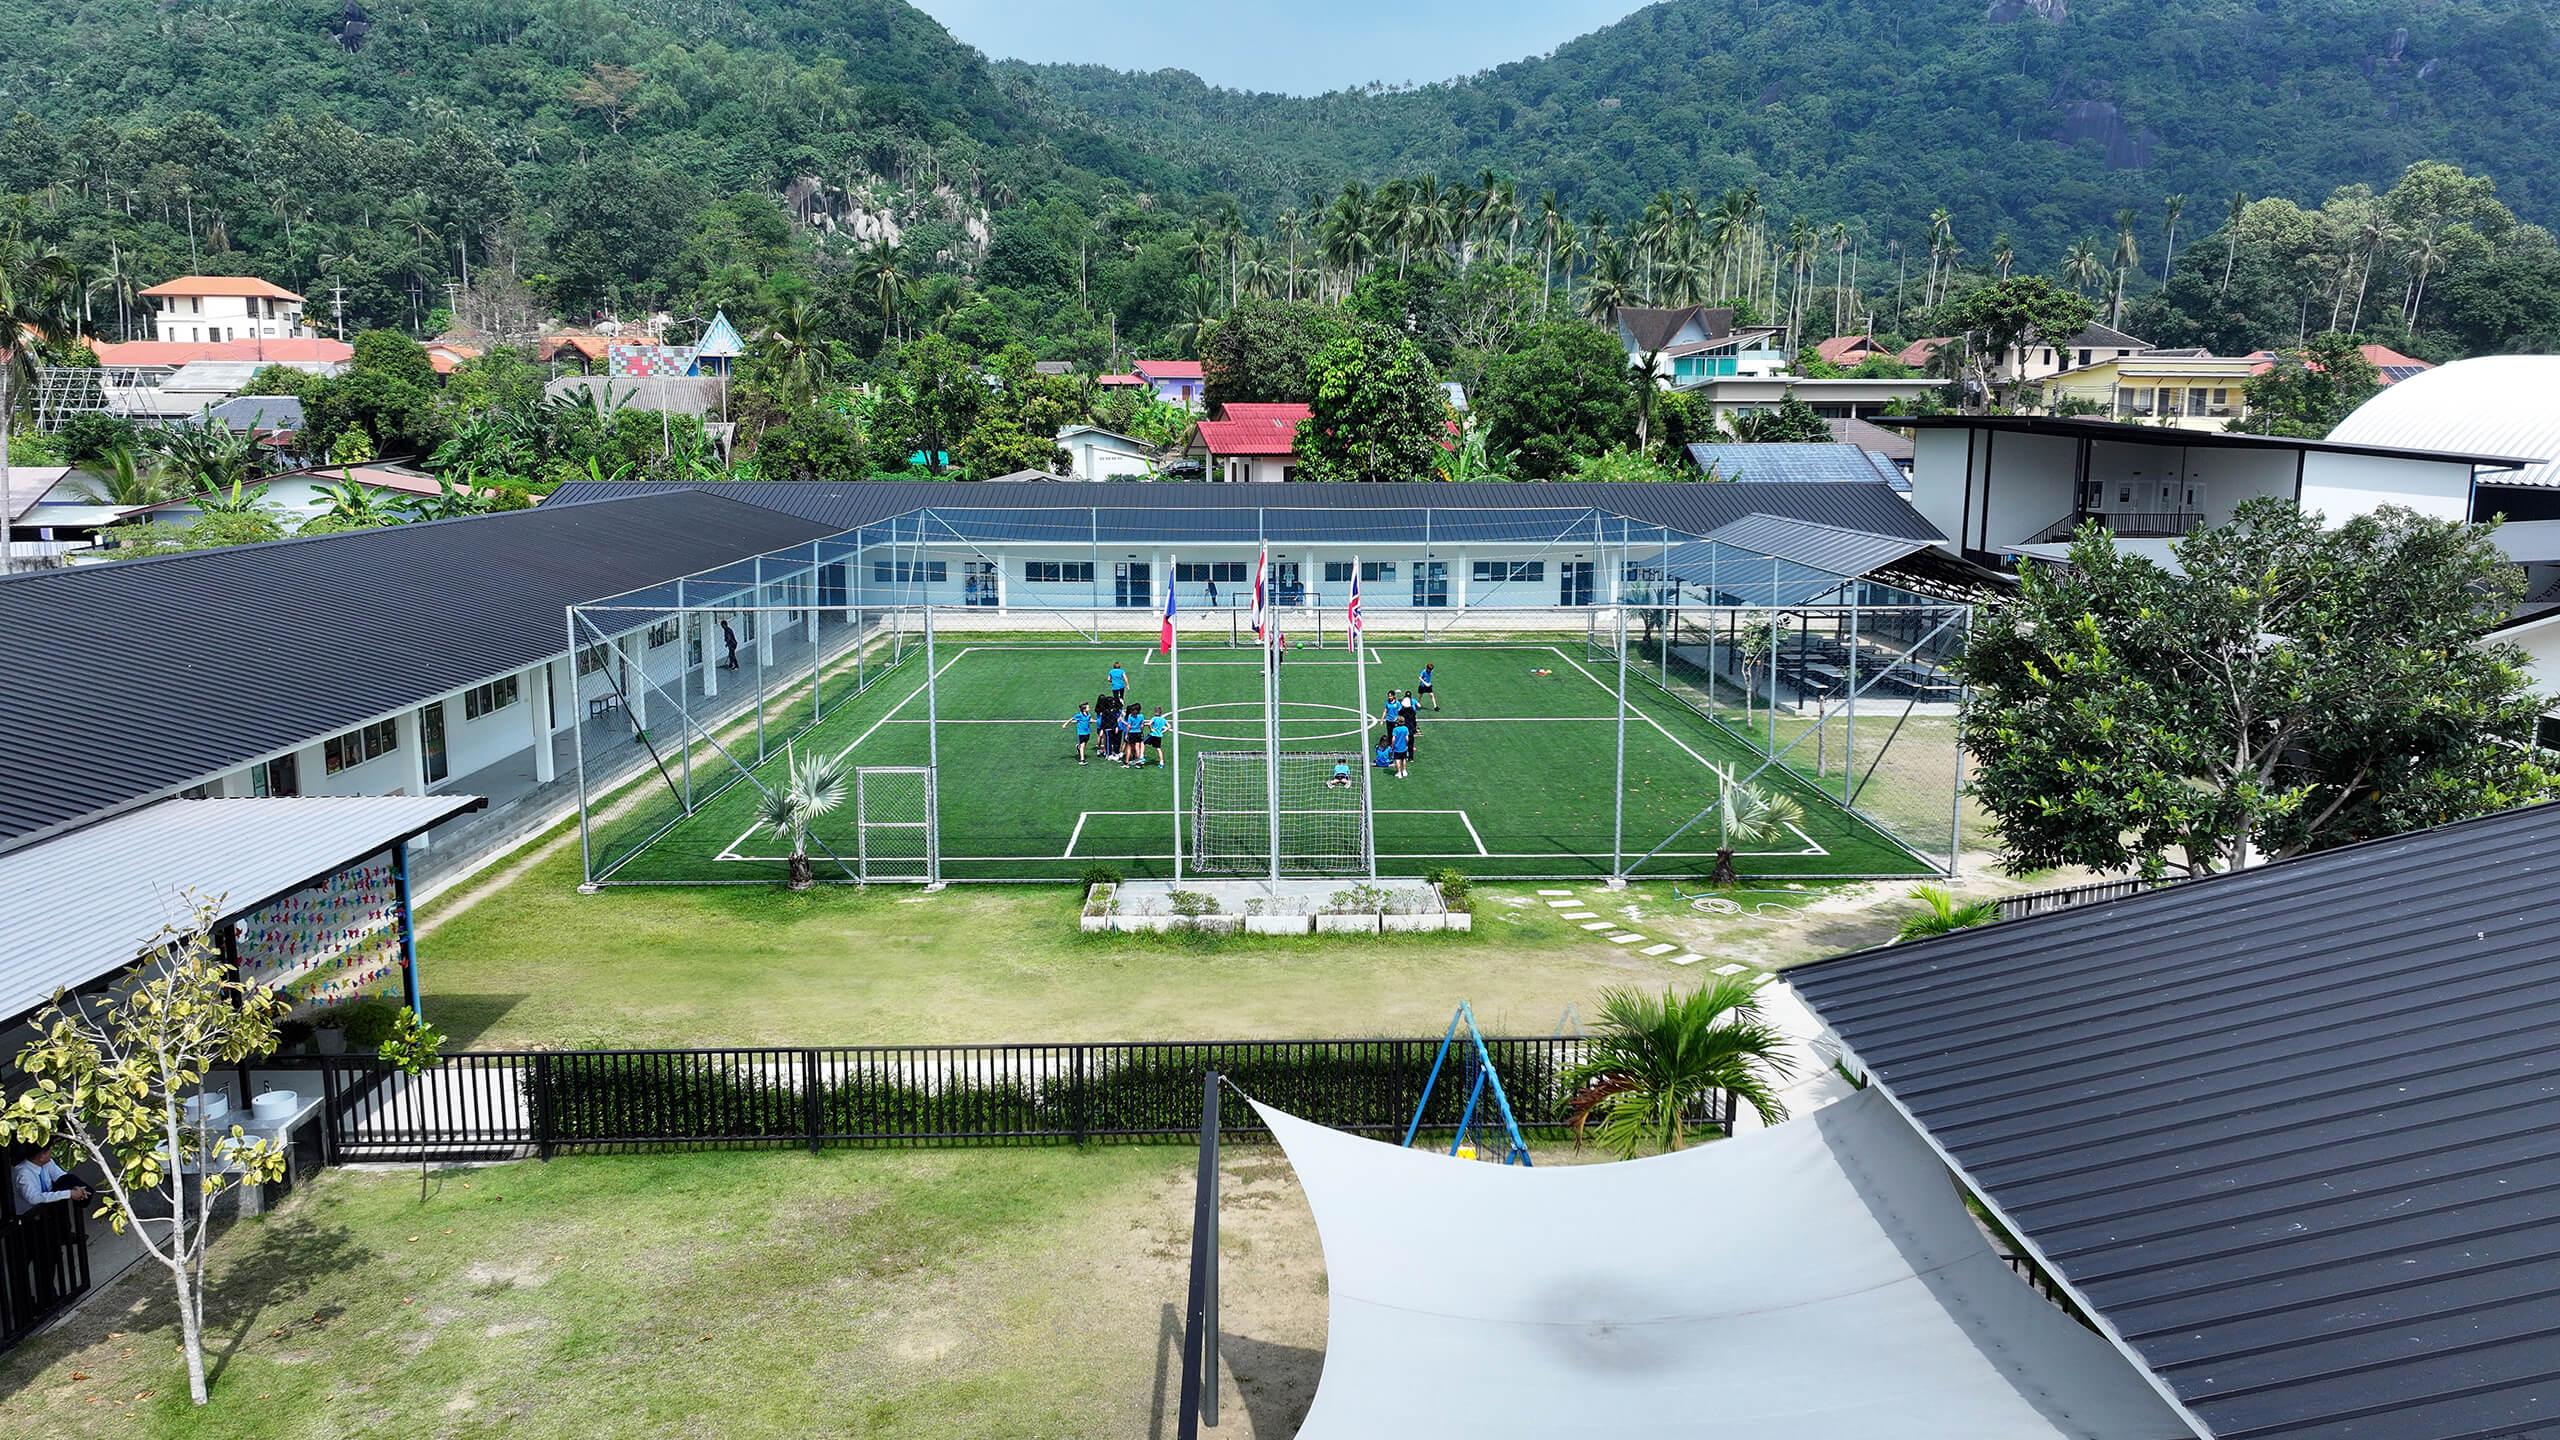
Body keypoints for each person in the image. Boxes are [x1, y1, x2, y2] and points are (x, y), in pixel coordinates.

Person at [10, 1140, 90, 1215]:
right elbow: (33, 1198)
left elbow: (61, 1176)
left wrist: (76, 1187)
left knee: (70, 1179)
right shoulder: (23, 1173)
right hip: (29, 1214)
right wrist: (69, 1193)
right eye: (49, 1151)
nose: (51, 1154)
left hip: (47, 1208)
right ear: (41, 1156)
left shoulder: (47, 1162)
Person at [1096, 691, 1123, 761]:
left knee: (1115, 741)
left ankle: (1115, 752)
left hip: (1113, 728)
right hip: (1108, 729)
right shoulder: (1105, 711)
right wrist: (1102, 729)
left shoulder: (1113, 710)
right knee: (1108, 742)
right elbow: (1103, 721)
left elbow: (1114, 719)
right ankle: (1109, 754)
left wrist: (1116, 726)